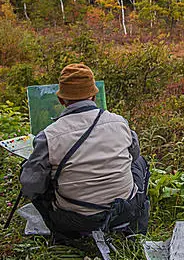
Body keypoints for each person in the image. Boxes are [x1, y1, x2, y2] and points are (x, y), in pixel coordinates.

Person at [20, 63, 149, 240]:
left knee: (32, 175)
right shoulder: (120, 123)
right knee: (140, 162)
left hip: (74, 221)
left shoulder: (48, 136)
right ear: (94, 96)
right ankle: (134, 228)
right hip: (124, 211)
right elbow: (133, 156)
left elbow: (30, 187)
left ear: (61, 100)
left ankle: (63, 236)